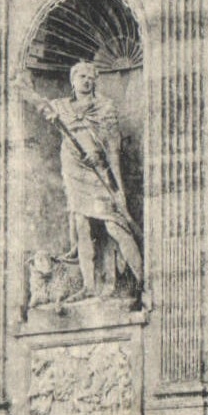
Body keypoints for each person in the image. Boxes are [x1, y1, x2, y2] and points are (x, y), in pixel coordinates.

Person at [42, 62, 143, 296]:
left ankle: (142, 279)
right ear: (73, 80)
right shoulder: (61, 107)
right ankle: (88, 286)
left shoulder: (104, 107)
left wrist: (117, 188)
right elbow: (43, 107)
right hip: (73, 169)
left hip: (98, 172)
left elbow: (113, 147)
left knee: (115, 225)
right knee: (81, 225)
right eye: (82, 76)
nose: (87, 81)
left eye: (91, 77)